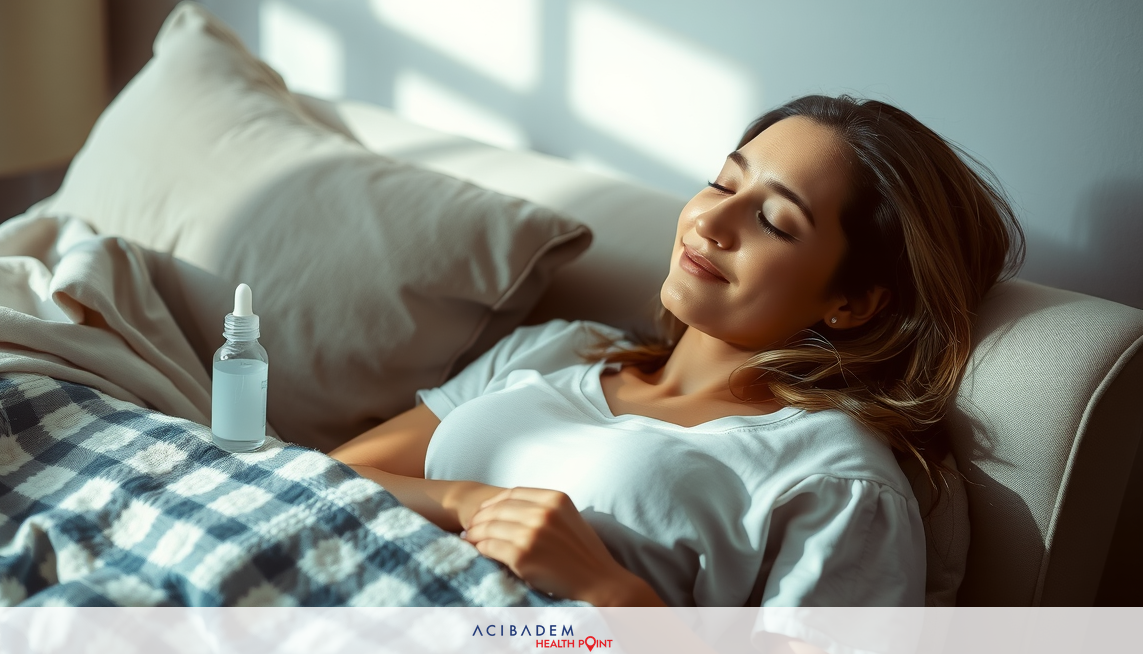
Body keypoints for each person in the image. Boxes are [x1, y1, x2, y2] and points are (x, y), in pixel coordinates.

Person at [328, 94, 1024, 611]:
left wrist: (611, 591)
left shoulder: (834, 480)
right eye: (724, 183)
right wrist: (462, 497)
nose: (710, 221)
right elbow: (332, 476)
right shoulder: (561, 349)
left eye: (775, 221)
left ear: (853, 302)